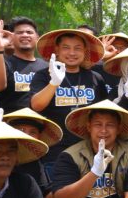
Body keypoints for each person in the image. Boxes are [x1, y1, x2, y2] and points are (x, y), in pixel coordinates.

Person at [28, 27, 107, 174]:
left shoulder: (95, 78)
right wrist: (54, 83)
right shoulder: (43, 75)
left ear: (85, 51)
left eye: (77, 48)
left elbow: (104, 113)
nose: (72, 53)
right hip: (55, 152)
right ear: (57, 50)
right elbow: (36, 106)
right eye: (66, 48)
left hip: (89, 151)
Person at [0, 17, 48, 113]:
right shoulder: (1, 62)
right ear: (12, 37)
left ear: (37, 37)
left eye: (29, 32)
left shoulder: (47, 66)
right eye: (19, 32)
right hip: (10, 123)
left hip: (40, 123)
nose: (25, 35)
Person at [3, 107, 62, 198]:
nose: (26, 136)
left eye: (32, 132)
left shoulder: (34, 162)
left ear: (39, 137)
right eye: (21, 130)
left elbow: (44, 194)